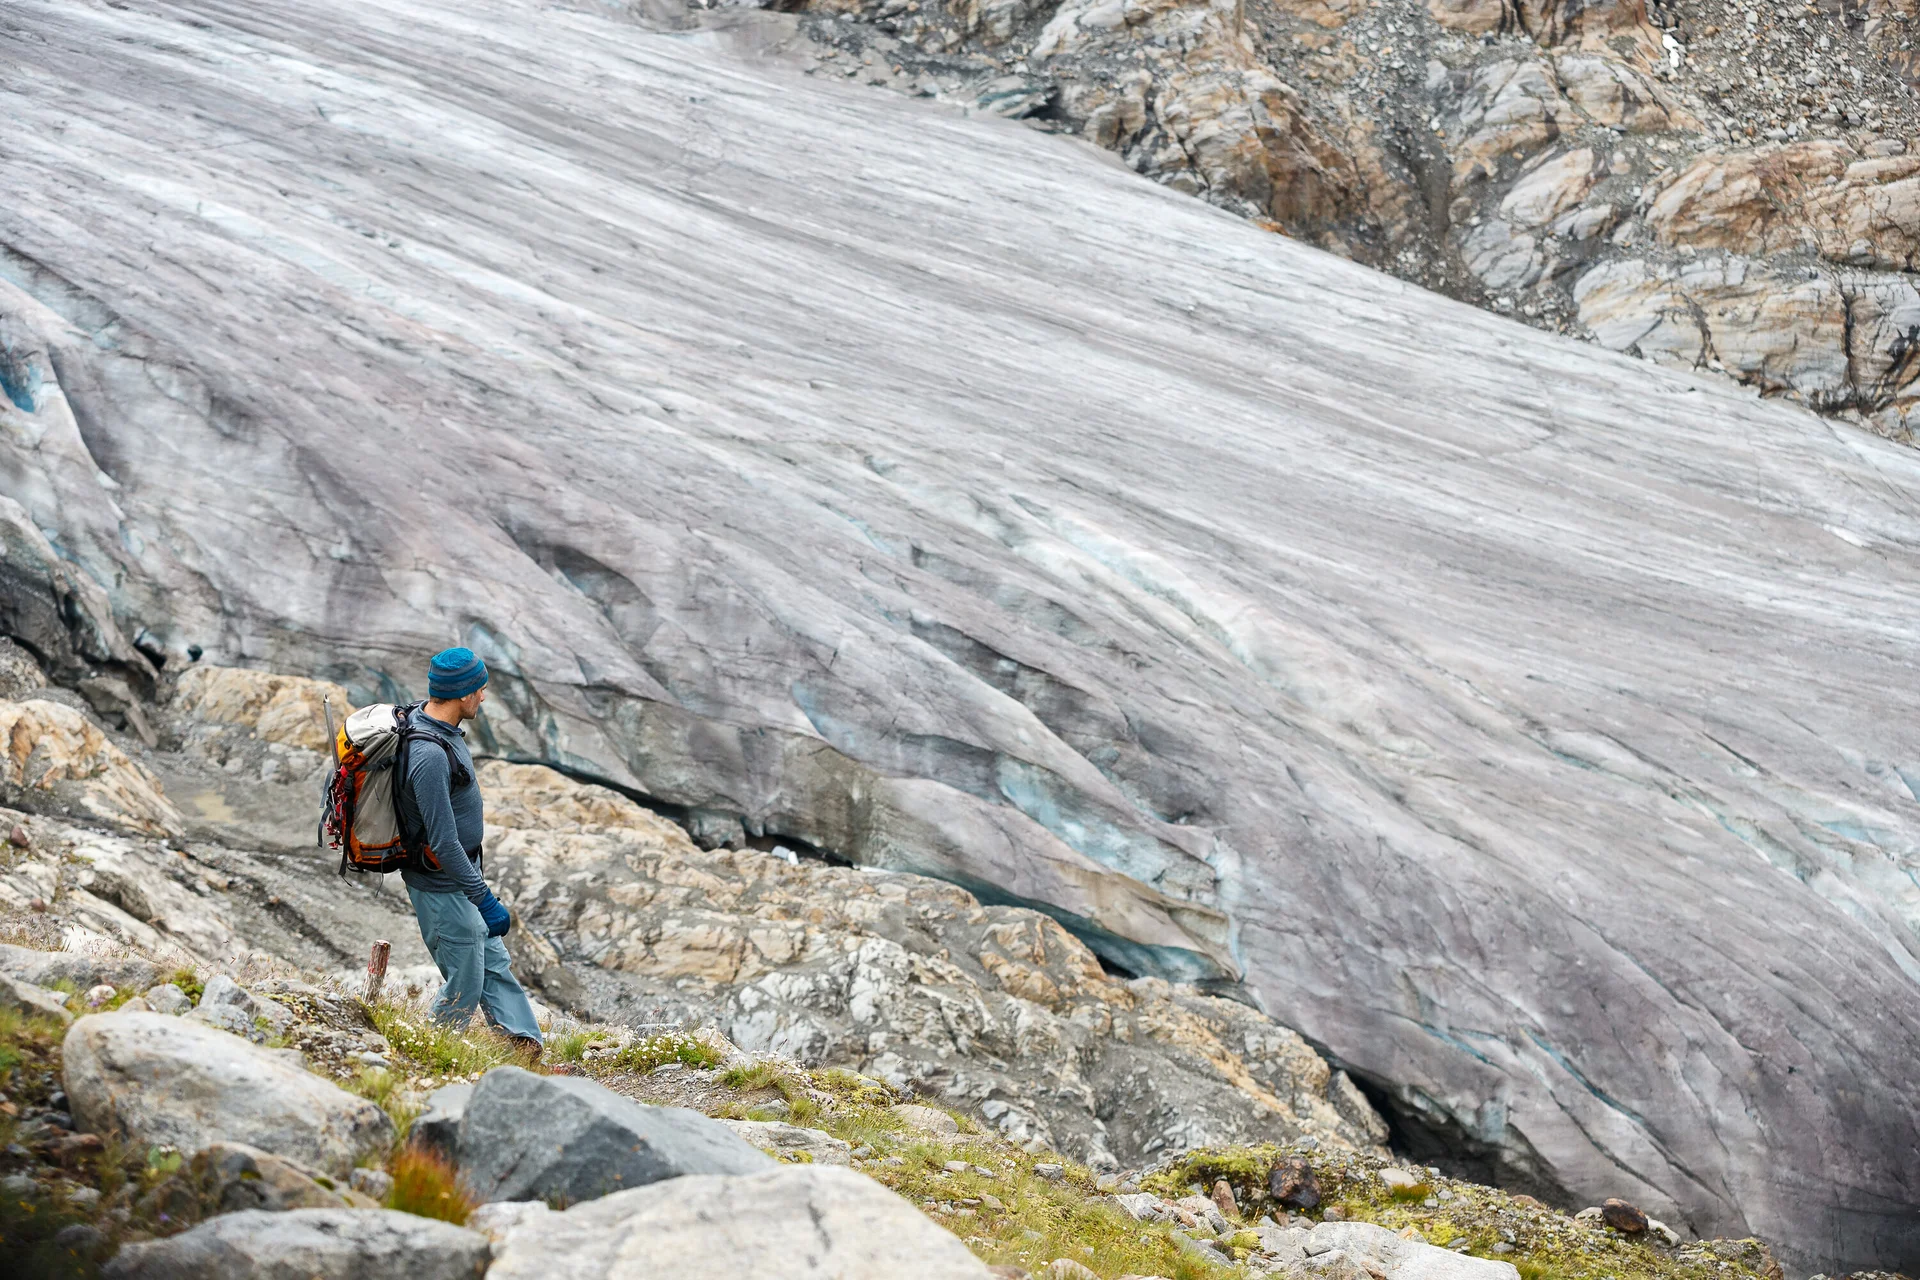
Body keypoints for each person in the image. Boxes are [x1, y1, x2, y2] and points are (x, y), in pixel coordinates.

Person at [398, 646, 543, 1057]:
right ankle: (428, 1055)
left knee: (495, 966)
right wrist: (485, 900)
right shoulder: (428, 755)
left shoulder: (438, 730)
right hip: (442, 888)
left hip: (462, 881)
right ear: (463, 695)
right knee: (464, 980)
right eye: (480, 689)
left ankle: (526, 1053)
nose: (484, 697)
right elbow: (443, 843)